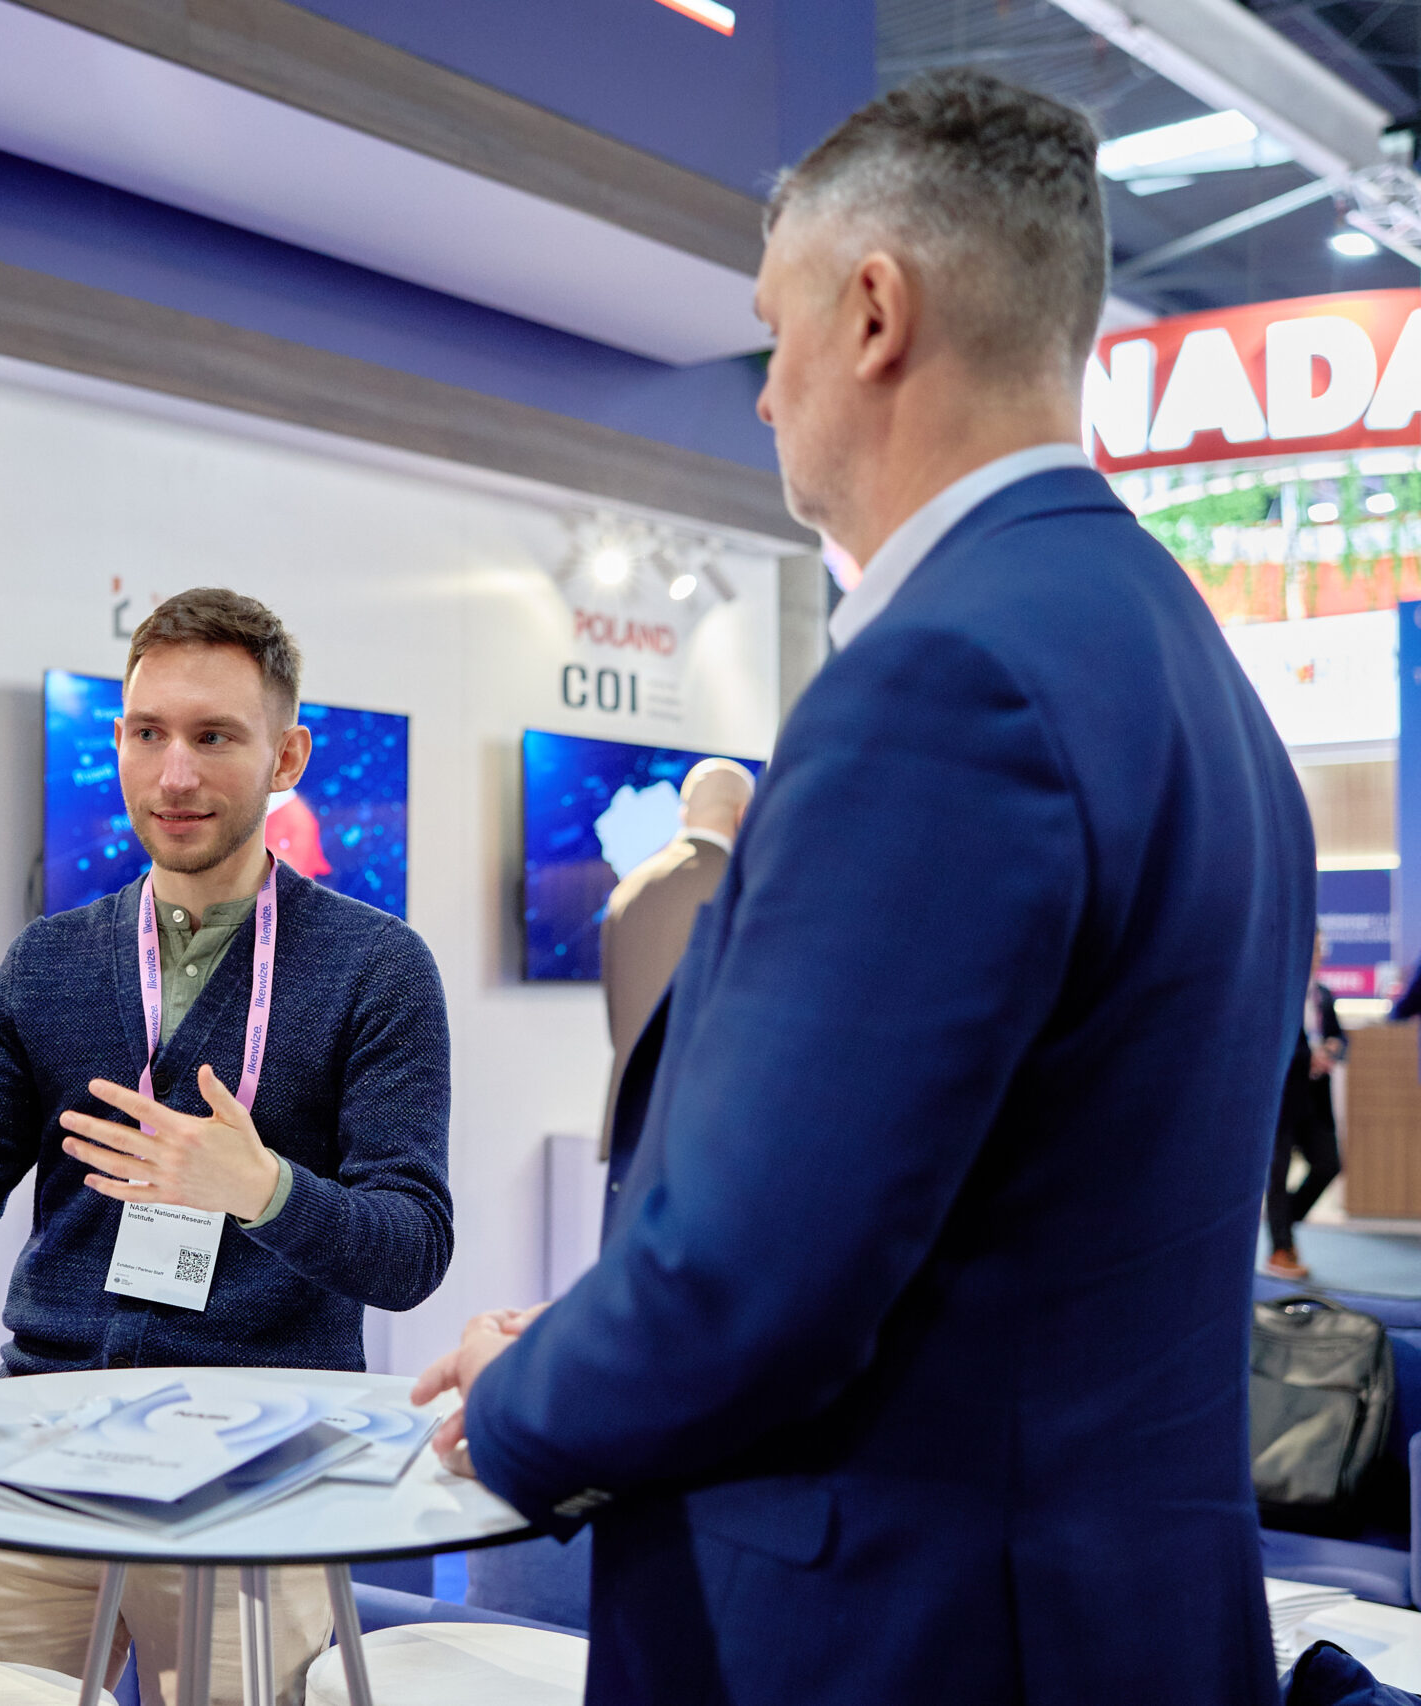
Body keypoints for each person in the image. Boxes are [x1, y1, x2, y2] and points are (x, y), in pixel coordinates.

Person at [414, 72, 1312, 1702]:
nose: (764, 396)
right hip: (1111, 1619)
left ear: (876, 313)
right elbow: (957, 1218)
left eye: (776, 333)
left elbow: (756, 1288)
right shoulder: (1184, 663)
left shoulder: (946, 679)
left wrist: (524, 1398)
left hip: (910, 1636)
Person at [0, 589, 452, 1706]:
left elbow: (410, 1246)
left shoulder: (377, 967)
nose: (174, 774)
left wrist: (264, 1190)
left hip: (262, 1465)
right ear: (116, 739)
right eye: (149, 733)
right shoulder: (50, 961)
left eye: (214, 736)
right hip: (44, 1448)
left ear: (286, 755)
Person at [595, 759, 753, 1147]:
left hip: (632, 1123)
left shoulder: (628, 887)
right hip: (708, 1127)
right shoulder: (741, 888)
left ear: (684, 813)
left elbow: (616, 1015)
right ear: (744, 814)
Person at [1267, 942, 1349, 1280]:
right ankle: (1280, 1248)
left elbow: (1339, 1037)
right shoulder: (1280, 992)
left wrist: (1333, 1047)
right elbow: (1272, 1042)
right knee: (1278, 1173)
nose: (1319, 954)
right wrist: (1308, 1057)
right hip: (1284, 1098)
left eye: (1321, 948)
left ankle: (1283, 1225)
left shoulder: (1323, 994)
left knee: (1328, 1164)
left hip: (1316, 1101)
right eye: (1314, 947)